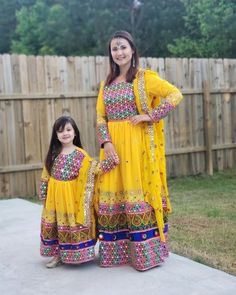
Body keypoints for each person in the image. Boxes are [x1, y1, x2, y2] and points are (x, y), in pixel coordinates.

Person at [96, 31, 183, 271]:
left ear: (132, 49)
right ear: (110, 54)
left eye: (123, 47)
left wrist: (151, 115)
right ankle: (116, 254)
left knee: (137, 196)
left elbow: (175, 94)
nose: (119, 52)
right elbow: (100, 116)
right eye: (114, 49)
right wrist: (107, 143)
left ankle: (145, 255)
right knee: (114, 194)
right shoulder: (106, 83)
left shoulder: (144, 78)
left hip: (137, 148)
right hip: (113, 148)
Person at [39, 116, 118, 268]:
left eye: (68, 130)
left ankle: (76, 254)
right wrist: (44, 193)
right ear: (56, 135)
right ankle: (57, 255)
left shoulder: (81, 155)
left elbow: (93, 170)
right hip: (54, 200)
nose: (65, 133)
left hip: (72, 199)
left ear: (75, 133)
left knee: (71, 225)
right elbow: (45, 176)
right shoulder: (53, 155)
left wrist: (110, 162)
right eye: (60, 131)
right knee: (56, 226)